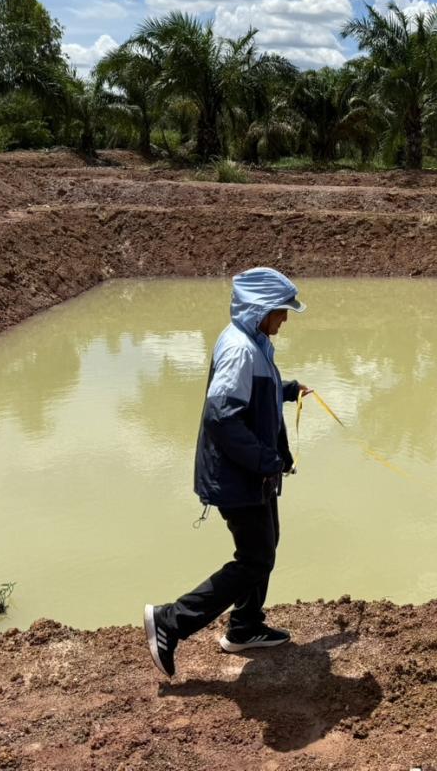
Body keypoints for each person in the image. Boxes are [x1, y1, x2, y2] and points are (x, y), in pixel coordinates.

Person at [144, 267, 312, 679]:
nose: (284, 319)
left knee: (265, 548)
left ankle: (245, 627)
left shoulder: (254, 342)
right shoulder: (240, 350)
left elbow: (253, 393)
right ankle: (170, 621)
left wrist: (287, 390)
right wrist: (266, 460)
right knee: (255, 558)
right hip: (239, 475)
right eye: (281, 311)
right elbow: (221, 418)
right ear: (260, 310)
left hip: (254, 474)